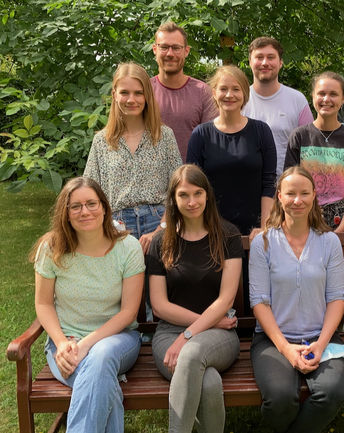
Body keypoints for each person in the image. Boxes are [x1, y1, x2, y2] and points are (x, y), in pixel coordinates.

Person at [31, 176, 145, 432]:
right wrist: (61, 343)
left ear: (104, 208)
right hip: (65, 344)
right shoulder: (51, 248)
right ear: (66, 213)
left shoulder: (128, 247)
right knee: (104, 384)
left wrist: (85, 345)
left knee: (101, 356)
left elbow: (128, 312)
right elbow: (44, 304)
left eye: (92, 203)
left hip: (118, 339)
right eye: (76, 206)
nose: (85, 212)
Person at [249, 166, 344, 433]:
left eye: (305, 193)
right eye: (290, 193)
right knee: (280, 399)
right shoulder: (264, 243)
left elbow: (336, 298)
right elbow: (259, 301)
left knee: (330, 393)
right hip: (273, 340)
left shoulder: (329, 242)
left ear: (314, 196)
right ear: (279, 196)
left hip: (321, 335)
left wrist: (321, 343)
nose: (298, 200)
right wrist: (286, 349)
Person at [84, 62, 181, 327]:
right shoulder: (102, 141)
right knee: (122, 298)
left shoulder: (164, 136)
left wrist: (162, 228)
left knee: (159, 296)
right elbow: (90, 192)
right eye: (124, 92)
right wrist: (110, 227)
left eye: (138, 93)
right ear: (114, 95)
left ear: (147, 96)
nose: (131, 99)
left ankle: (157, 346)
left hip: (158, 222)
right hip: (117, 226)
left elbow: (178, 192)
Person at [147, 164, 243, 433]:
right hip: (172, 333)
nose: (192, 202)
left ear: (207, 195)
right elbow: (159, 305)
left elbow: (225, 300)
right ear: (173, 200)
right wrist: (200, 326)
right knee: (209, 381)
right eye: (183, 195)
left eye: (198, 193)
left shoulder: (228, 236)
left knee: (190, 357)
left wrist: (188, 335)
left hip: (219, 336)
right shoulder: (161, 242)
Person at [186, 65, 276, 236]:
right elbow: (193, 186)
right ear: (214, 93)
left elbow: (269, 182)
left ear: (244, 94)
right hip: (211, 231)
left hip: (255, 232)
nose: (229, 95)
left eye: (236, 89)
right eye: (223, 89)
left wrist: (265, 228)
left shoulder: (262, 131)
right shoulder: (201, 134)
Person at [284, 71, 344, 231]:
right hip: (304, 219)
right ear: (313, 96)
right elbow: (289, 185)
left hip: (342, 221)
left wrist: (340, 230)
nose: (326, 99)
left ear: (343, 99)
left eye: (333, 94)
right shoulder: (299, 136)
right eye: (321, 93)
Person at [243, 36, 314, 175]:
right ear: (250, 62)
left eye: (271, 57)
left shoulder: (297, 100)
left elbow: (310, 149)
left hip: (288, 190)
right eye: (259, 57)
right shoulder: (238, 100)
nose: (265, 63)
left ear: (281, 62)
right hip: (246, 186)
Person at [151, 21, 218, 161]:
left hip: (191, 178)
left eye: (176, 48)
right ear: (155, 49)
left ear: (186, 51)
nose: (170, 53)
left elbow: (212, 144)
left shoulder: (203, 92)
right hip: (150, 178)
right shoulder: (143, 92)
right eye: (164, 47)